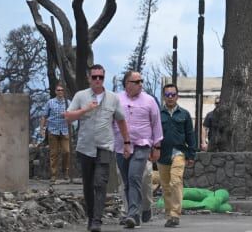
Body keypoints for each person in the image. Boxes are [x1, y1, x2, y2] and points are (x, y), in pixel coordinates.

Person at [65, 65, 130, 232]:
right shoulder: (81, 96)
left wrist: (127, 142)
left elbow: (121, 121)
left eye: (100, 77)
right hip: (85, 147)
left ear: (104, 78)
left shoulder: (113, 98)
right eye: (94, 77)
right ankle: (91, 216)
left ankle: (97, 220)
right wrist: (85, 109)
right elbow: (68, 117)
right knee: (88, 185)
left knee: (100, 184)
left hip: (105, 146)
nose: (97, 80)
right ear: (89, 78)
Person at [113, 71, 163, 229]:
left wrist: (157, 146)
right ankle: (133, 213)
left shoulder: (149, 100)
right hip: (121, 147)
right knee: (127, 181)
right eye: (137, 81)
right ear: (127, 83)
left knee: (134, 177)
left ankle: (133, 214)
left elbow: (156, 124)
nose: (141, 84)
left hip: (142, 145)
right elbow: (109, 121)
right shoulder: (116, 99)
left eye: (141, 81)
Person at [159, 83, 197, 228]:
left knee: (175, 181)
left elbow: (190, 135)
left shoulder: (184, 114)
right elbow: (154, 133)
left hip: (179, 152)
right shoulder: (158, 113)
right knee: (166, 186)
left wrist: (192, 155)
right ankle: (169, 215)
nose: (170, 97)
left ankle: (175, 214)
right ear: (164, 96)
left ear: (177, 96)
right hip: (162, 153)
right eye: (167, 95)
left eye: (173, 95)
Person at [41, 84, 72, 182]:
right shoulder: (50, 102)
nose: (60, 92)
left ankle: (65, 172)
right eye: (58, 90)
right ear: (55, 91)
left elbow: (73, 115)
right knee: (53, 153)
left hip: (64, 130)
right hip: (53, 130)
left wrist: (68, 116)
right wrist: (42, 128)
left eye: (62, 90)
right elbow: (44, 116)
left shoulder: (68, 102)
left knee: (66, 151)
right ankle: (53, 174)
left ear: (64, 92)